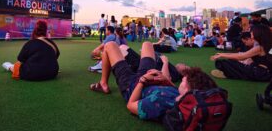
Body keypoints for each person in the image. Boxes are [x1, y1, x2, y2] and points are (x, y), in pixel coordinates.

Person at [89, 41, 217, 121]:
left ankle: (103, 83)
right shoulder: (181, 98)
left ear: (188, 91)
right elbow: (171, 85)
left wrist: (143, 81)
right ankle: (108, 78)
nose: (181, 81)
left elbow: (130, 104)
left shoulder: (159, 103)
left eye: (184, 81)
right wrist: (165, 79)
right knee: (147, 44)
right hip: (150, 78)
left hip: (132, 86)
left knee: (109, 45)